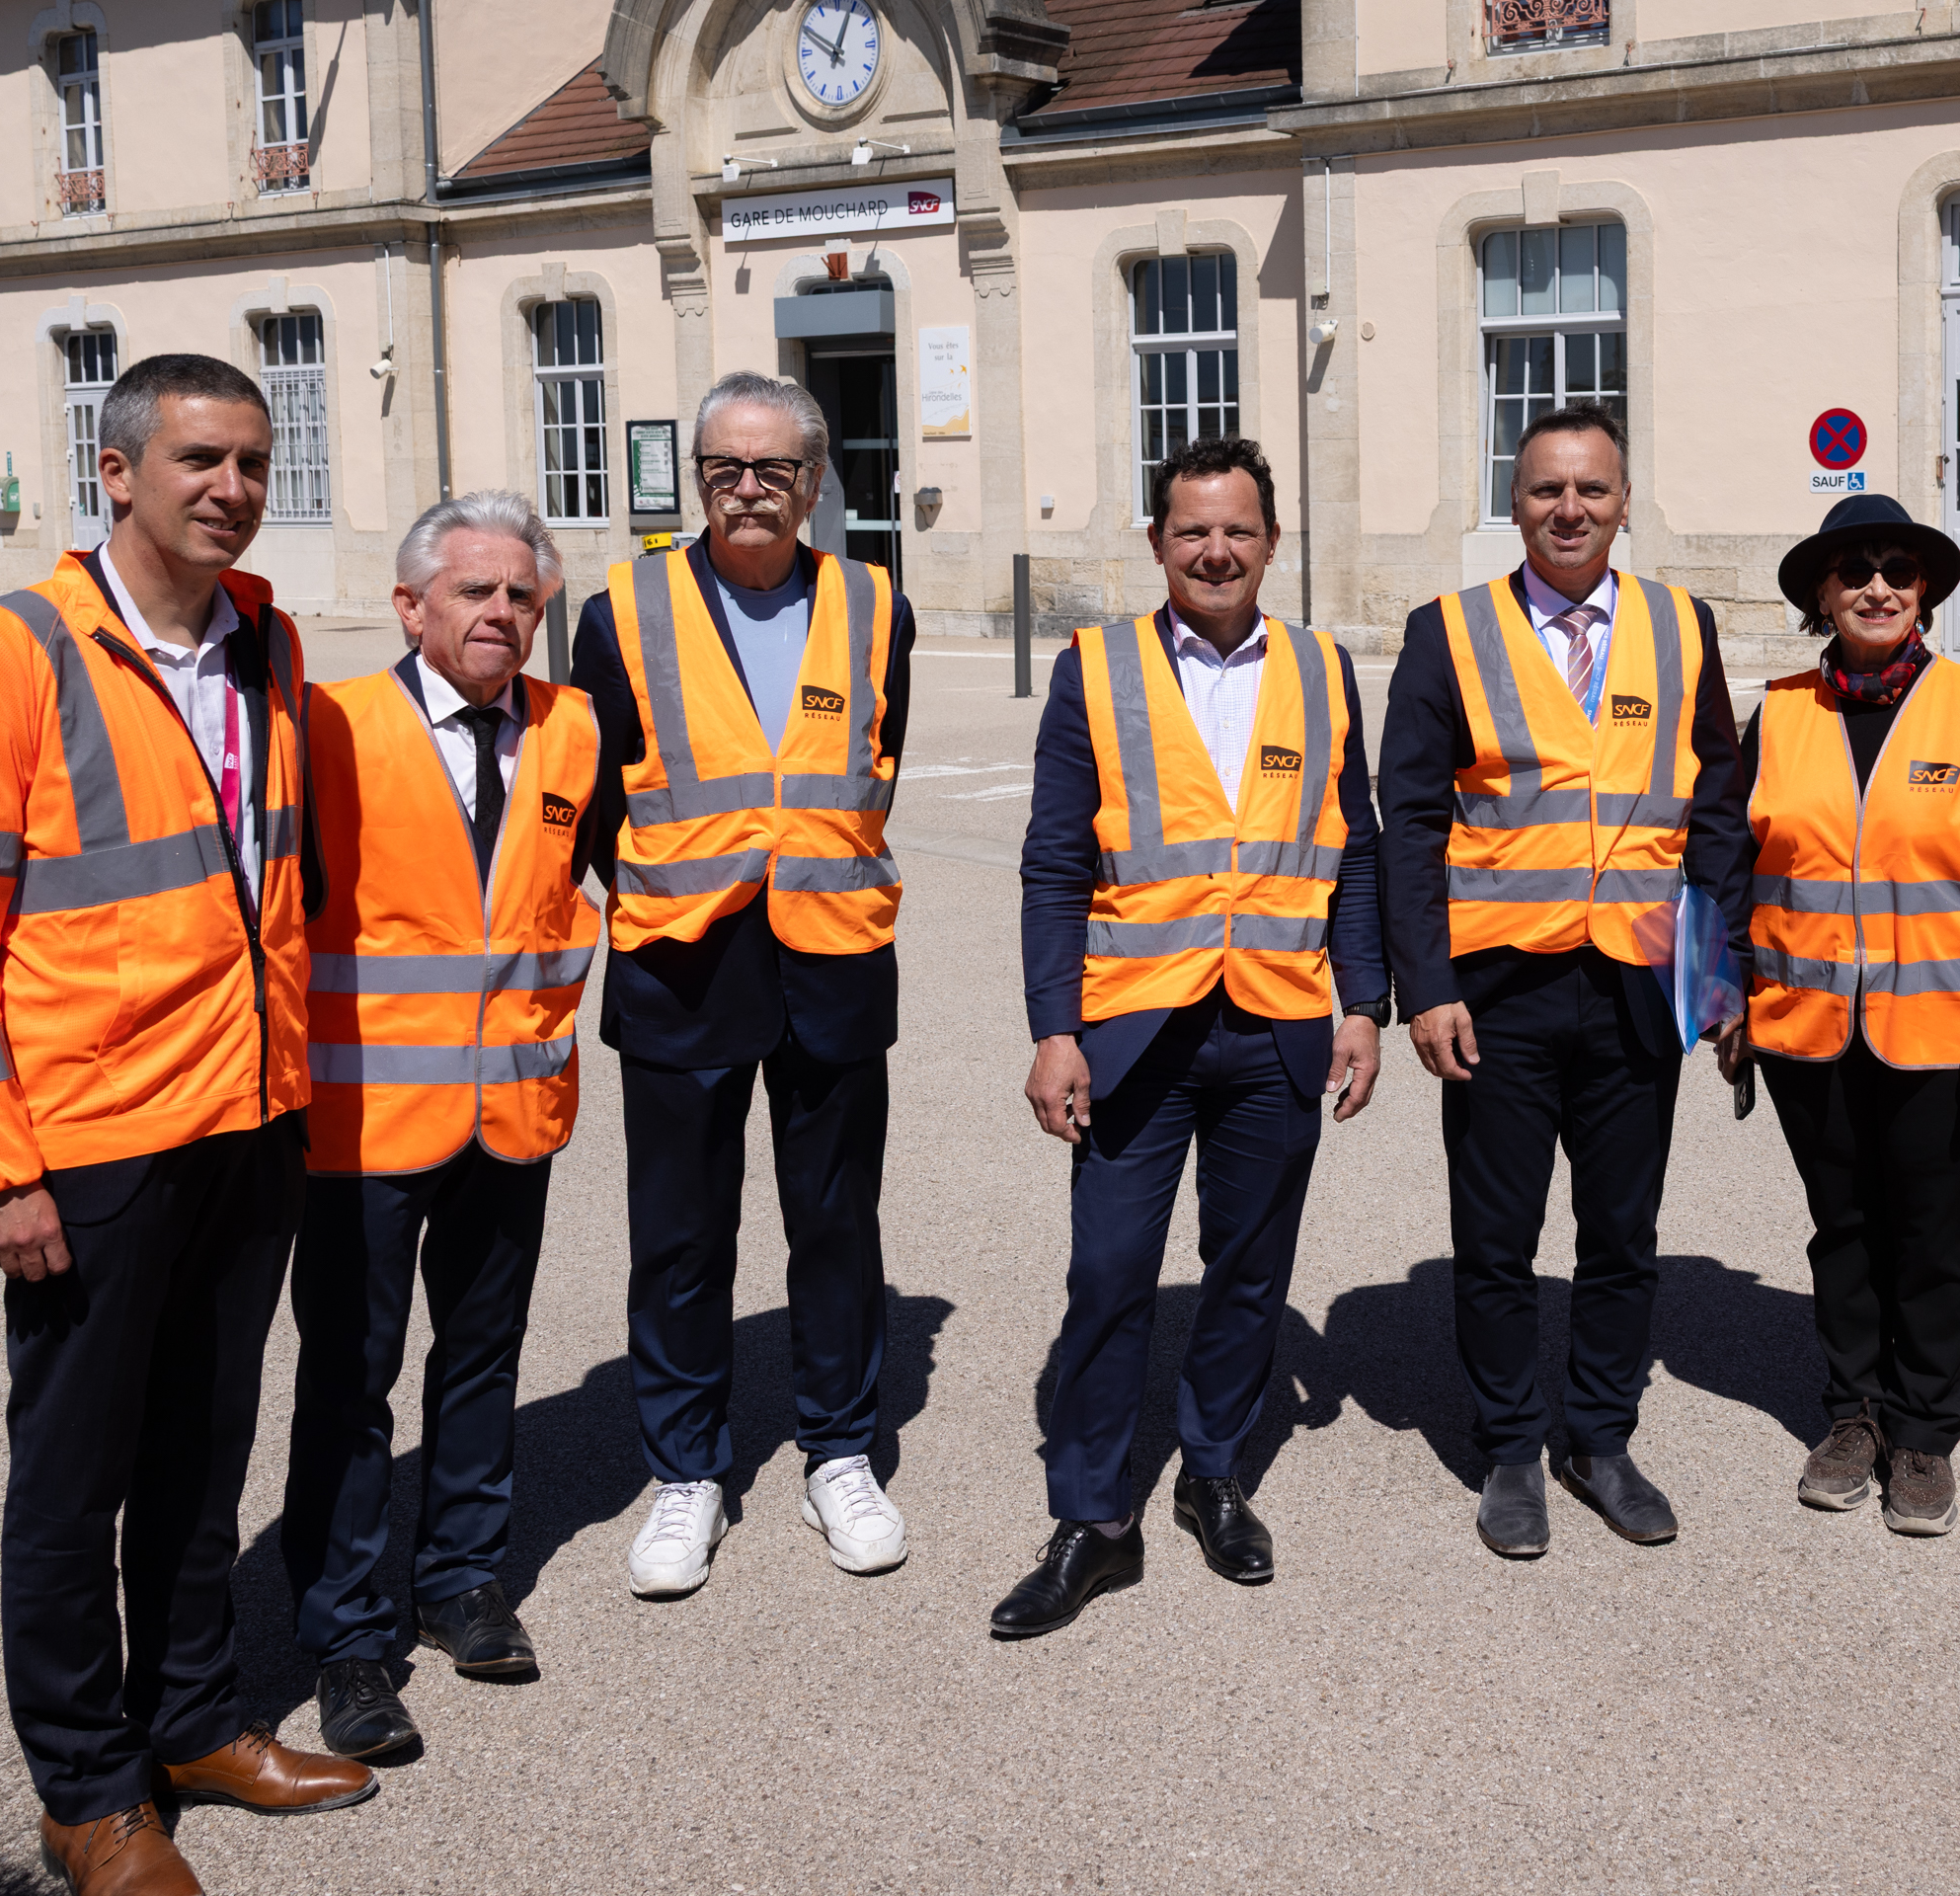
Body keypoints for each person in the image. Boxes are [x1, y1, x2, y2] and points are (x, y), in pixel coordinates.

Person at [0, 354, 370, 1896]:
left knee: (200, 1449)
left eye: (252, 458)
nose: (231, 485)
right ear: (116, 474)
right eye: (199, 460)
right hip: (86, 1139)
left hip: (248, 1116)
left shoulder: (268, 643)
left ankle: (192, 1721)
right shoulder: (4, 653)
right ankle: (87, 1791)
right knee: (73, 1474)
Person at [994, 435, 1388, 1636]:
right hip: (1135, 1028)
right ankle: (1094, 1514)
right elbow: (1055, 862)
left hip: (1276, 1017)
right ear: (1157, 542)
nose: (1215, 550)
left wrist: (1363, 1002)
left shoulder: (1323, 671)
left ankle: (1214, 1469)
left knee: (1248, 1267)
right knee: (1109, 1273)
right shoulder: (1095, 668)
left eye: (1238, 530)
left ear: (1272, 541)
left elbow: (1355, 847)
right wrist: (1052, 1027)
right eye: (1190, 531)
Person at [1379, 405, 1749, 1557]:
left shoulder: (1682, 625)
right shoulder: (1448, 631)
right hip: (1497, 991)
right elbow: (1410, 825)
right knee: (1496, 1235)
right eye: (1545, 489)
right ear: (1514, 499)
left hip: (1636, 986)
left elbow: (1719, 810)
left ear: (1624, 501)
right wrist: (1425, 984)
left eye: (1591, 489)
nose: (1569, 510)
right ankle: (1507, 1445)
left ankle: (1598, 1435)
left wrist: (1718, 959)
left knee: (1620, 1230)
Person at [571, 371, 918, 1598]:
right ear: (697, 478)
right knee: (679, 1236)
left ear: (817, 482)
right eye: (726, 467)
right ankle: (686, 1471)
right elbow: (596, 794)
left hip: (831, 957)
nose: (750, 488)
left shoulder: (879, 605)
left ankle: (838, 1449)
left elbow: (873, 767)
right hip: (682, 962)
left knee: (834, 1225)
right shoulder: (620, 610)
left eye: (775, 468)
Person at [280, 493, 606, 1759]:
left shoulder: (571, 729)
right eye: (475, 592)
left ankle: (465, 1578)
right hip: (362, 1122)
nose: (502, 615)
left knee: (482, 1357)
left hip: (512, 1111)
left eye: (522, 595)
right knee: (350, 1378)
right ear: (410, 604)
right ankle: (350, 1634)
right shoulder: (329, 727)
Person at [1714, 494, 1960, 1539]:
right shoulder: (1777, 713)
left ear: (1924, 593)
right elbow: (1728, 863)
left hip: (1946, 1035)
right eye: (1853, 569)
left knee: (1933, 1232)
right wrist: (1729, 993)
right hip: (1805, 1027)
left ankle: (1924, 1432)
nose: (1876, 586)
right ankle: (1851, 1413)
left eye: (1897, 570)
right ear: (1821, 593)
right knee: (1843, 1227)